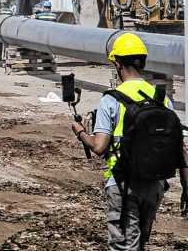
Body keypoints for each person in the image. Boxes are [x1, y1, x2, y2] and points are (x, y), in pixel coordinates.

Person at [71, 33, 188, 251]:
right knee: (140, 243)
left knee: (123, 245)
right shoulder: (162, 98)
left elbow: (99, 147)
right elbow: (180, 148)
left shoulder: (111, 99)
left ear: (117, 63)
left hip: (123, 183)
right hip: (155, 185)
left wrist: (80, 133)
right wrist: (186, 186)